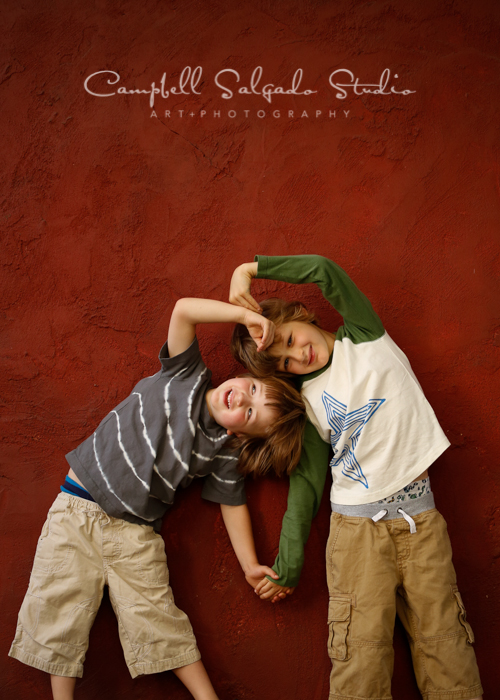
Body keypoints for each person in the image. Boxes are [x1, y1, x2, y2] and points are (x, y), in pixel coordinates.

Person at [9, 297, 306, 700]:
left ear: (242, 436)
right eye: (252, 388)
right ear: (245, 375)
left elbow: (232, 504)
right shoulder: (187, 374)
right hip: (78, 508)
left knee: (159, 621)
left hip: (136, 534)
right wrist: (244, 315)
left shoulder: (224, 451)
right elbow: (184, 310)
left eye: (251, 414)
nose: (242, 399)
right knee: (59, 613)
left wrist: (251, 563)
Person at [229, 254, 483, 700]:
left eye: (289, 338)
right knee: (360, 659)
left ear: (301, 315)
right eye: (285, 362)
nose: (298, 354)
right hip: (355, 536)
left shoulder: (363, 336)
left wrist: (249, 270)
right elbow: (305, 489)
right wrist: (287, 569)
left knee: (447, 647)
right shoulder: (306, 404)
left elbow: (324, 271)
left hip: (420, 520)